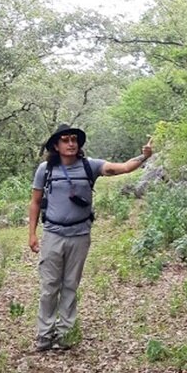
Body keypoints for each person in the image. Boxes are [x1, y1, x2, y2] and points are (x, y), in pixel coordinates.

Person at [28, 124, 153, 352]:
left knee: (70, 285)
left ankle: (65, 334)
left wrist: (143, 157)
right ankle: (44, 335)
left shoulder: (89, 166)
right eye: (65, 140)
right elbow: (35, 202)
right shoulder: (45, 170)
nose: (71, 143)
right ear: (56, 145)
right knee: (49, 286)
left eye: (74, 139)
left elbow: (123, 168)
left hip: (80, 235)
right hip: (53, 234)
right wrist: (32, 234)